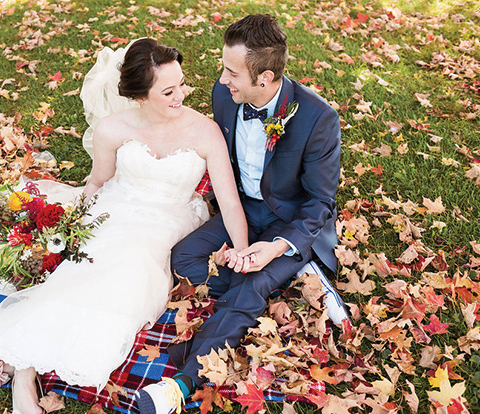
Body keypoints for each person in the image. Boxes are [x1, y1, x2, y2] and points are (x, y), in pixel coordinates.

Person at [0, 38, 249, 414]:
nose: (181, 96)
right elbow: (98, 181)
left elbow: (228, 200)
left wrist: (242, 249)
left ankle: (18, 362)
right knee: (75, 263)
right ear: (140, 96)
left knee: (127, 268)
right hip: (115, 207)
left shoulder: (203, 131)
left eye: (183, 85)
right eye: (169, 91)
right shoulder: (113, 128)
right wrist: (78, 220)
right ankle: (24, 372)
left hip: (167, 221)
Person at [136, 14, 348, 414]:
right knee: (184, 257)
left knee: (249, 287)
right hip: (243, 210)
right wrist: (238, 244)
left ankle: (181, 384)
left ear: (264, 78)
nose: (222, 78)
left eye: (232, 72)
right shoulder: (225, 94)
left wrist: (273, 248)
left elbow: (320, 203)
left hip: (290, 222)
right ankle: (272, 285)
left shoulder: (319, 119)